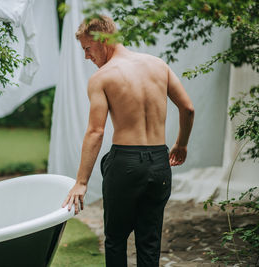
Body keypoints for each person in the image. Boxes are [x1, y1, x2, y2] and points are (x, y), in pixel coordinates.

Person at [61, 15, 195, 266]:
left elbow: (96, 132)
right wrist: (181, 143)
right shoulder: (158, 65)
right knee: (149, 240)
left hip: (125, 164)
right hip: (159, 162)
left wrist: (81, 182)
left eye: (88, 49)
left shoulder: (102, 77)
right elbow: (188, 108)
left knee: (115, 238)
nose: (87, 57)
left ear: (102, 40)